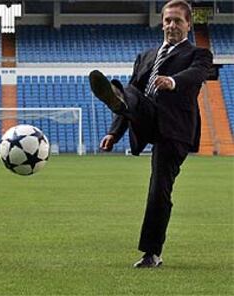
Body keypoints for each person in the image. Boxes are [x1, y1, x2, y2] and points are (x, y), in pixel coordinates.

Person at [89, 0, 213, 268]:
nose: (171, 26)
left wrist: (172, 81)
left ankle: (151, 254)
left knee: (159, 189)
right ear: (162, 23)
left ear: (188, 25)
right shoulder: (146, 56)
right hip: (147, 118)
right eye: (167, 20)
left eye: (178, 21)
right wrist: (114, 133)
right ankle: (116, 101)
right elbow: (133, 93)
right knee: (129, 91)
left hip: (175, 130)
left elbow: (195, 75)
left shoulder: (199, 55)